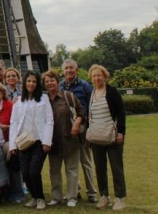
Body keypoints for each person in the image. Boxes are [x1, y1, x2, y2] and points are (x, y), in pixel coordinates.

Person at [9, 70, 53, 210]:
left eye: (34, 81)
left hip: (39, 141)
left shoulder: (44, 99)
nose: (31, 84)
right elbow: (14, 123)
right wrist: (12, 144)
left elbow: (49, 120)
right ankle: (34, 197)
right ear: (24, 83)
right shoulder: (19, 102)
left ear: (37, 83)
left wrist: (47, 141)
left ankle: (40, 198)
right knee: (25, 172)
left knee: (34, 171)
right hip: (24, 142)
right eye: (29, 81)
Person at [88, 64, 127, 211]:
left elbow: (121, 113)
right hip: (97, 137)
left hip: (112, 135)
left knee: (116, 167)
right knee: (100, 168)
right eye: (94, 76)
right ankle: (104, 196)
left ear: (105, 76)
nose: (97, 78)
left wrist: (120, 132)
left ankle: (120, 198)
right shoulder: (92, 93)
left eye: (99, 75)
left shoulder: (112, 92)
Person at [43, 70, 84, 208]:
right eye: (46, 81)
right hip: (52, 142)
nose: (50, 83)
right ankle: (56, 197)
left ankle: (72, 196)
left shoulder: (68, 96)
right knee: (54, 171)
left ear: (57, 81)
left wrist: (77, 123)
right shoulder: (43, 101)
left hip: (70, 139)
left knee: (71, 170)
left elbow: (81, 112)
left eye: (52, 80)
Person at [59, 58, 97, 203]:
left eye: (71, 68)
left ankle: (92, 192)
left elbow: (91, 106)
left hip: (82, 130)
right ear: (62, 71)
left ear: (76, 69)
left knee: (85, 161)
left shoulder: (85, 86)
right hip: (66, 132)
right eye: (66, 68)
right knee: (70, 163)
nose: (68, 70)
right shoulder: (60, 87)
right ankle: (75, 190)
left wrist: (84, 124)